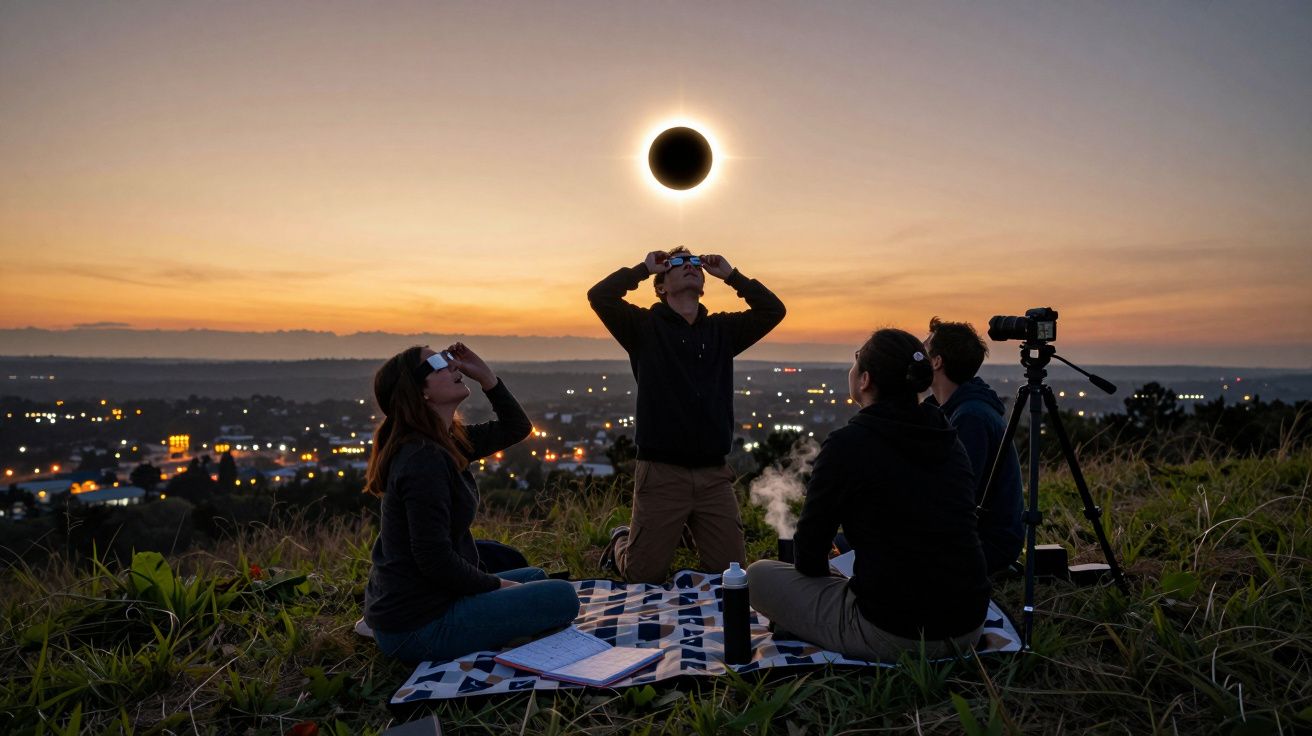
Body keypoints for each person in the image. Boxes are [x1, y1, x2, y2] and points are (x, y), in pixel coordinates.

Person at [748, 329, 990, 661]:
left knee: (758, 575)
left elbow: (808, 554)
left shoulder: (848, 443)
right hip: (969, 626)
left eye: (856, 358)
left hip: (896, 634)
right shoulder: (948, 436)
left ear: (864, 380)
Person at [362, 343, 579, 664]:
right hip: (419, 625)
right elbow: (433, 559)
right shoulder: (423, 458)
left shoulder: (447, 440)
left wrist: (486, 377)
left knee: (535, 578)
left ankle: (387, 624)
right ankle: (391, 632)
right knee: (562, 597)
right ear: (418, 391)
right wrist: (498, 586)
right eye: (436, 363)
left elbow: (516, 428)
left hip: (430, 599)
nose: (451, 366)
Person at [589, 246, 786, 583]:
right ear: (662, 286)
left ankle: (679, 530)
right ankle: (622, 540)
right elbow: (600, 296)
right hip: (662, 473)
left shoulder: (721, 331)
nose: (690, 266)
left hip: (713, 476)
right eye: (677, 263)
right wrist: (642, 269)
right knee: (643, 577)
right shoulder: (644, 327)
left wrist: (733, 276)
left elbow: (773, 310)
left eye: (695, 263)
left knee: (730, 576)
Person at [923, 317, 1023, 574]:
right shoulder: (952, 409)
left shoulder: (971, 417)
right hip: (973, 537)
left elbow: (959, 497)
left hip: (986, 545)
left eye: (924, 350)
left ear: (937, 362)